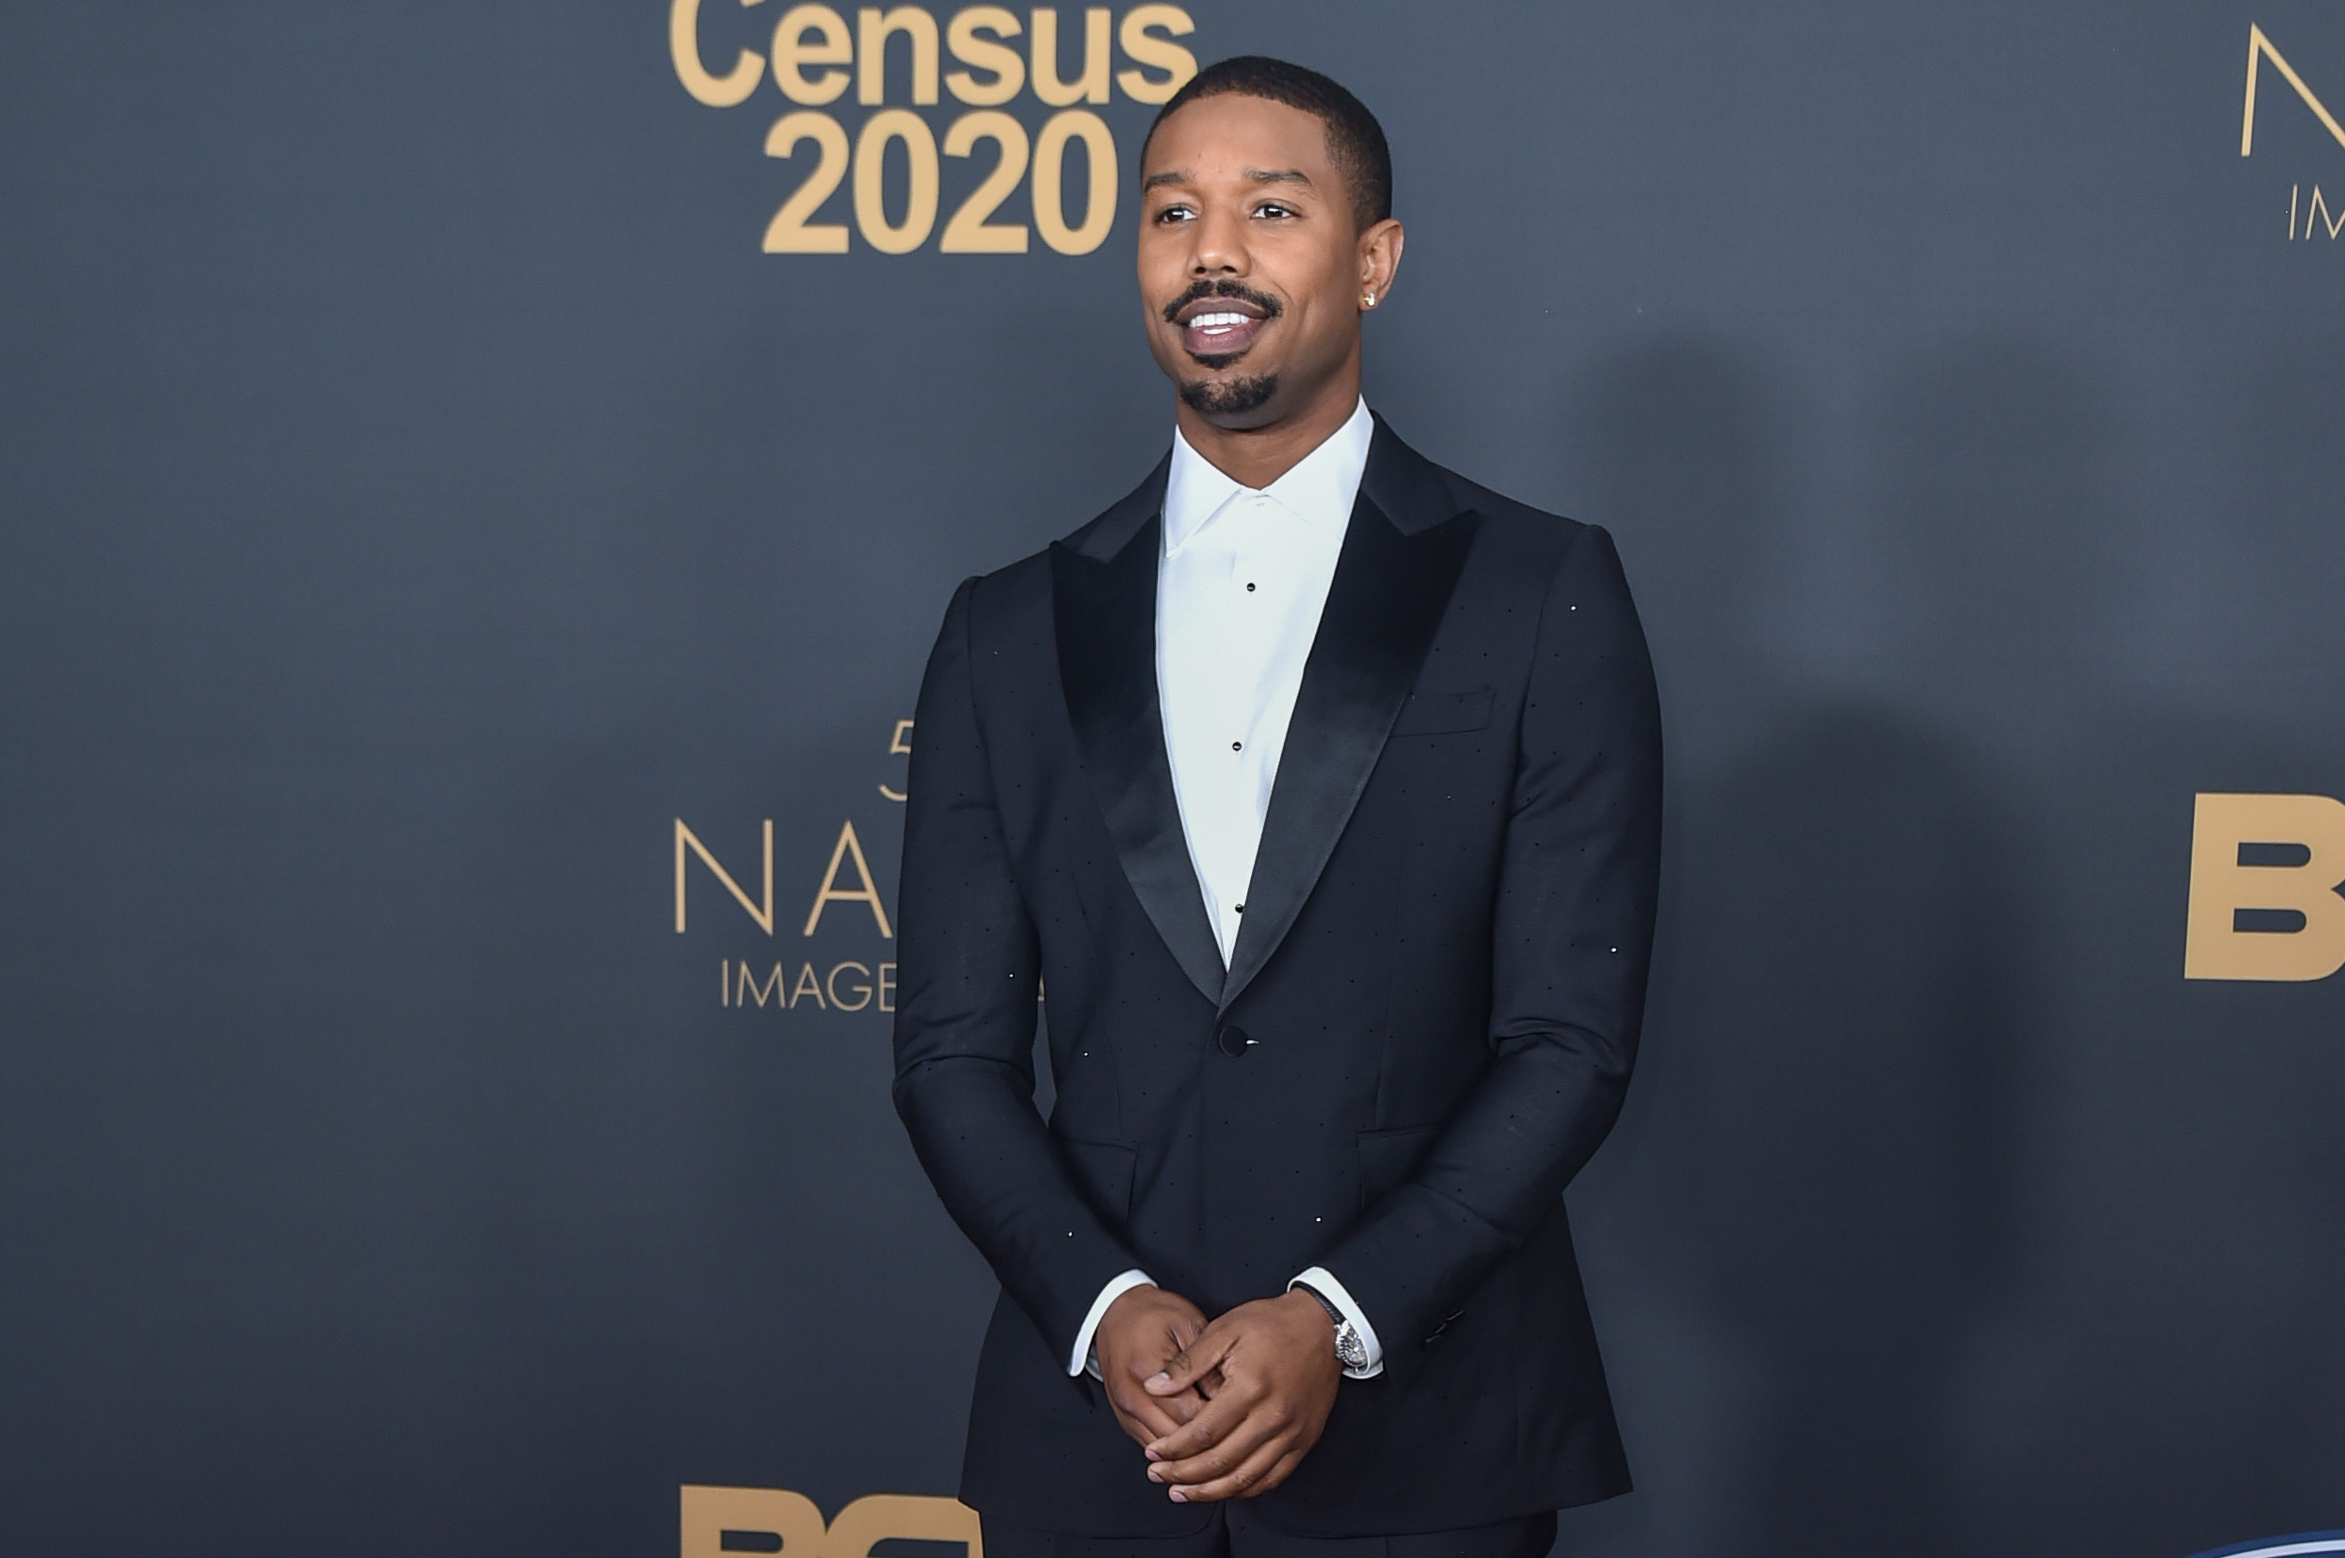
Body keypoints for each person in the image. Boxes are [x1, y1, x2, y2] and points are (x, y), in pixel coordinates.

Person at [892, 55, 1662, 1558]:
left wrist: (1339, 1314)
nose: (1212, 251)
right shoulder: (1004, 628)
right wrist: (1103, 1307)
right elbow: (947, 1053)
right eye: (1171, 211)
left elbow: (1571, 1035)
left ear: (1371, 258)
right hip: (1092, 1451)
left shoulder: (1539, 590)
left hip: (1428, 1436)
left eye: (1270, 207)